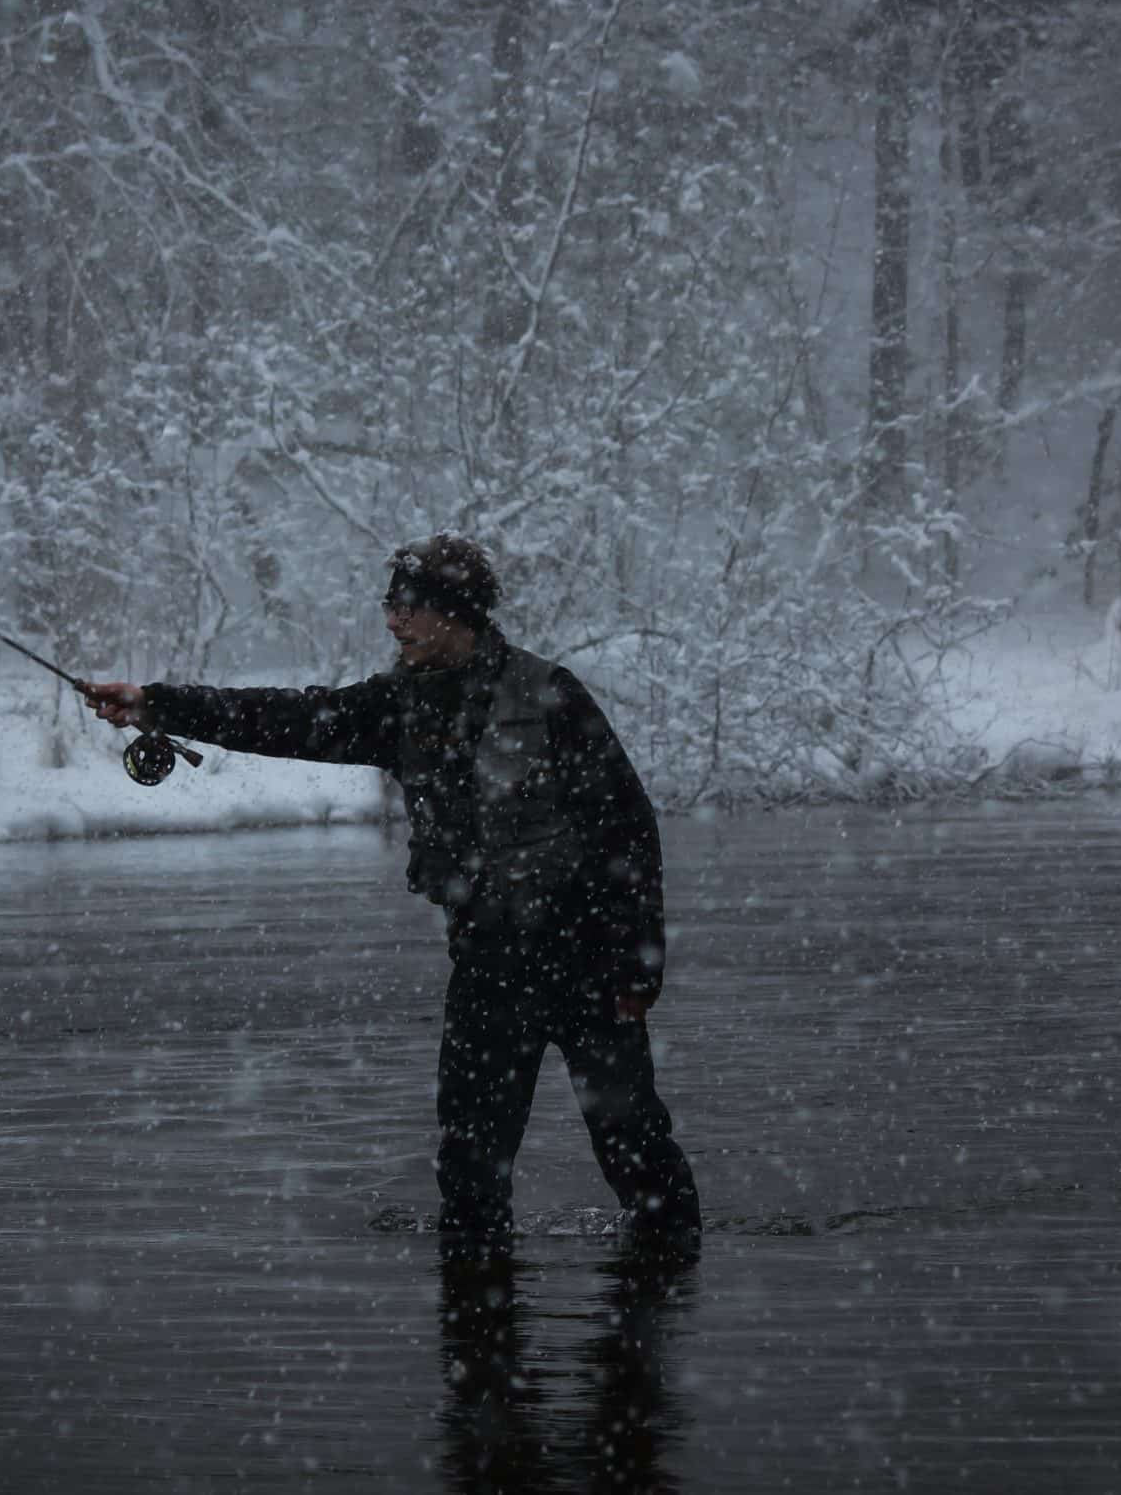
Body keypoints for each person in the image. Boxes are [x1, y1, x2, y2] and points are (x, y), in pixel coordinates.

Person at [78, 535, 703, 1256]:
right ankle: (480, 1328)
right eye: (389, 604)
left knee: (634, 1145)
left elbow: (629, 831)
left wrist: (638, 970)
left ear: (455, 614)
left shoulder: (552, 695)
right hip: (489, 969)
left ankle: (666, 1298)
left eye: (406, 607)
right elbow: (282, 717)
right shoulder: (397, 706)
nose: (392, 621)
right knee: (470, 1169)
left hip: (589, 965)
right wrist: (157, 703)